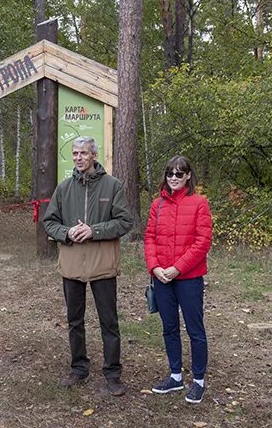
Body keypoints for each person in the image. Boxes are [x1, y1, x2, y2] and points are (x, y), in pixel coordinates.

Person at [43, 137, 133, 396]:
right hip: (71, 266)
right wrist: (67, 232)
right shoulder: (64, 188)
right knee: (74, 320)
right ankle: (79, 368)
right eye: (75, 153)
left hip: (102, 264)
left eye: (83, 153)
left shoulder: (112, 186)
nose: (79, 158)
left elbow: (125, 221)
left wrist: (93, 230)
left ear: (94, 155)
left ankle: (113, 374)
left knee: (109, 321)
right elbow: (50, 222)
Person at [143, 156, 212, 404]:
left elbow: (202, 242)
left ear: (188, 176)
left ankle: (199, 380)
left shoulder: (199, 203)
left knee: (195, 329)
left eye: (179, 174)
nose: (174, 178)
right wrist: (155, 267)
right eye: (171, 173)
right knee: (169, 327)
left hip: (189, 278)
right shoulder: (157, 205)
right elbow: (149, 237)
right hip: (162, 278)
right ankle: (175, 376)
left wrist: (177, 268)